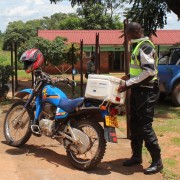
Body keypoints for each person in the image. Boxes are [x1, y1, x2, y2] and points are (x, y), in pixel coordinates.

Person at [118, 22, 163, 174]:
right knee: (135, 124)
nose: (127, 36)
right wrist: (130, 77)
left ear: (136, 32)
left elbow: (149, 72)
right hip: (138, 91)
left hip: (147, 92)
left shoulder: (145, 46)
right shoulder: (138, 46)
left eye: (129, 33)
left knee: (145, 126)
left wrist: (128, 83)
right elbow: (140, 70)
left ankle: (157, 161)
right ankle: (136, 156)